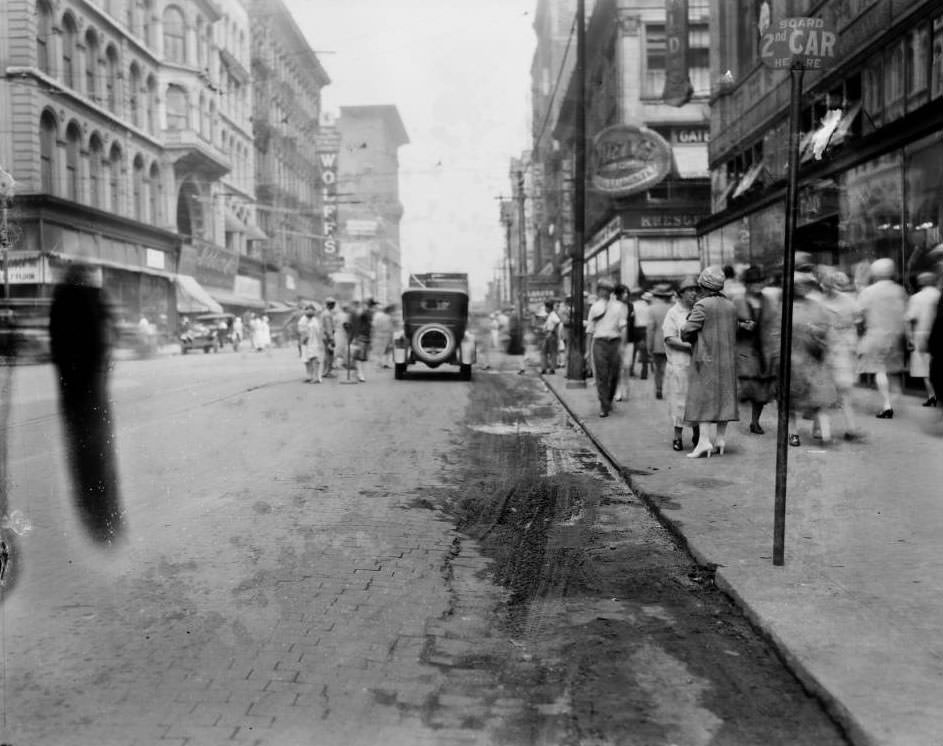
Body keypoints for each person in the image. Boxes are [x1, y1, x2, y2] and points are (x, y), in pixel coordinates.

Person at [49, 263, 124, 545]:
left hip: (73, 390)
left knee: (82, 449)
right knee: (98, 450)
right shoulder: (94, 298)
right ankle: (105, 513)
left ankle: (94, 511)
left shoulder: (62, 298)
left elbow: (57, 345)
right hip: (91, 388)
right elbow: (106, 339)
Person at [681, 266, 740, 458]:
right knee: (724, 397)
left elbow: (686, 332)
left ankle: (704, 442)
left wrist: (688, 331)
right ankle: (720, 440)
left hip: (705, 358)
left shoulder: (702, 305)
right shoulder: (731, 306)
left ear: (703, 285)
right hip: (727, 360)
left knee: (703, 398)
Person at [788, 272, 838, 446]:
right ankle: (793, 433)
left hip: (813, 357)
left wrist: (817, 331)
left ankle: (821, 430)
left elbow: (826, 329)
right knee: (791, 400)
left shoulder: (817, 306)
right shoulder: (785, 306)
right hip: (793, 358)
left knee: (819, 396)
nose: (802, 288)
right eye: (798, 285)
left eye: (805, 285)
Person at [856, 257, 908, 418]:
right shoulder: (900, 290)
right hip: (895, 335)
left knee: (880, 370)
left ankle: (887, 405)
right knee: (891, 369)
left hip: (876, 334)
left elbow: (858, 315)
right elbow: (904, 314)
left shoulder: (869, 292)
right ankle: (895, 396)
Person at [734, 265, 781, 434]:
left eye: (760, 281)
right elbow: (727, 324)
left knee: (762, 387)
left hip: (765, 349)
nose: (757, 285)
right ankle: (742, 419)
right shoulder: (737, 301)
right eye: (753, 282)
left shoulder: (769, 301)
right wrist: (740, 325)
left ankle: (755, 421)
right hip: (744, 349)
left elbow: (776, 324)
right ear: (746, 284)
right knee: (747, 385)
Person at [821, 269, 863, 440]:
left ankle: (824, 433)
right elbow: (857, 320)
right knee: (843, 393)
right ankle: (849, 428)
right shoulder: (849, 301)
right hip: (841, 350)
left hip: (829, 350)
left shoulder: (819, 301)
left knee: (825, 393)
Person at [663, 276, 700, 451]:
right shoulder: (673, 313)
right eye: (689, 290)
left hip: (697, 364)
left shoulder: (699, 310)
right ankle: (677, 437)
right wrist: (690, 346)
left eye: (695, 290)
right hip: (678, 364)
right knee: (679, 401)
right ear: (681, 294)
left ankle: (697, 433)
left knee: (696, 400)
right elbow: (670, 338)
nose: (693, 293)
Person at [586, 277, 629, 417]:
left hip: (615, 342)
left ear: (611, 291)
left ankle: (608, 400)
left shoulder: (619, 307)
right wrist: (587, 351)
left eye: (607, 289)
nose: (604, 292)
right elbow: (590, 330)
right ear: (598, 291)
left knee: (614, 375)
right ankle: (604, 405)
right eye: (602, 289)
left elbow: (623, 327)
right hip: (599, 343)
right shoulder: (594, 307)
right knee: (601, 375)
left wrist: (623, 345)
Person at [906, 271, 941, 407]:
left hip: (922, 335)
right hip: (939, 334)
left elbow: (910, 318)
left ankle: (932, 395)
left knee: (925, 369)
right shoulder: (939, 295)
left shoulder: (916, 298)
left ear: (920, 283)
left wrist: (909, 337)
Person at [646, 283, 673, 399]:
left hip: (657, 343)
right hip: (671, 342)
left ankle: (659, 389)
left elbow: (650, 329)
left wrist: (649, 345)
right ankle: (670, 389)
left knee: (658, 369)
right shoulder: (673, 308)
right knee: (670, 367)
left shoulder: (651, 309)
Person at [613, 285, 635, 401]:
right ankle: (617, 391)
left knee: (627, 366)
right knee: (618, 367)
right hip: (617, 340)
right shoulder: (614, 307)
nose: (625, 295)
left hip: (630, 340)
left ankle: (625, 390)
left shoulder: (631, 306)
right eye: (623, 293)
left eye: (627, 293)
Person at [298, 304, 324, 383]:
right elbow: (301, 331)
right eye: (308, 309)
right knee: (306, 359)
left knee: (314, 358)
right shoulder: (302, 320)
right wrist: (303, 340)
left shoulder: (315, 320)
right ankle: (309, 375)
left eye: (312, 310)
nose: (310, 311)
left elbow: (319, 331)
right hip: (305, 342)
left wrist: (320, 342)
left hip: (314, 341)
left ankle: (316, 377)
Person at [630, 289, 651, 379]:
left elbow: (631, 317)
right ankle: (644, 372)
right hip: (645, 329)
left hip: (635, 329)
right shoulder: (646, 305)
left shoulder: (633, 305)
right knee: (644, 352)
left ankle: (631, 370)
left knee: (633, 351)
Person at [539, 300, 561, 374]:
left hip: (551, 334)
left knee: (552, 352)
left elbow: (558, 321)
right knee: (544, 352)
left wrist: (552, 331)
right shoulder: (549, 315)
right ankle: (544, 368)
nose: (545, 309)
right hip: (548, 334)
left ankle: (552, 369)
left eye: (546, 307)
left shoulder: (553, 314)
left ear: (548, 308)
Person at [372, 303, 394, 369]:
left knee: (379, 349)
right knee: (387, 350)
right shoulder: (389, 317)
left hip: (378, 334)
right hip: (387, 334)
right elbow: (391, 327)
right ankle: (385, 363)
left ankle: (380, 362)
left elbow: (374, 325)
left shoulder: (378, 316)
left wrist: (374, 333)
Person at [321, 298, 336, 376]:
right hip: (328, 336)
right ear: (329, 304)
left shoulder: (326, 313)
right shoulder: (327, 314)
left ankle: (326, 371)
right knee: (329, 354)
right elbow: (328, 327)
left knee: (328, 354)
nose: (334, 305)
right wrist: (331, 338)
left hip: (326, 336)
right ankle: (327, 371)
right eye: (333, 304)